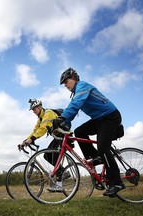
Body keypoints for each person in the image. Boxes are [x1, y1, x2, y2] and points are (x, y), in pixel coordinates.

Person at [56, 67, 125, 197]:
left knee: (103, 147)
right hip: (99, 119)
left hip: (110, 116)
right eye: (64, 83)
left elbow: (76, 104)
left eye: (67, 81)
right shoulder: (76, 93)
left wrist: (62, 117)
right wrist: (63, 124)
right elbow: (72, 110)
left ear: (74, 78)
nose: (65, 85)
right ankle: (96, 157)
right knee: (79, 131)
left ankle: (117, 182)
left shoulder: (82, 86)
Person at [20, 99, 68, 192]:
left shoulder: (48, 113)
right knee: (47, 155)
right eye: (32, 110)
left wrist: (32, 139)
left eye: (34, 109)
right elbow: (35, 131)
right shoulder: (40, 118)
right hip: (57, 137)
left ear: (40, 107)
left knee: (54, 156)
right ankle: (63, 171)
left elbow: (43, 129)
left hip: (64, 135)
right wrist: (25, 141)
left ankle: (59, 185)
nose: (33, 111)